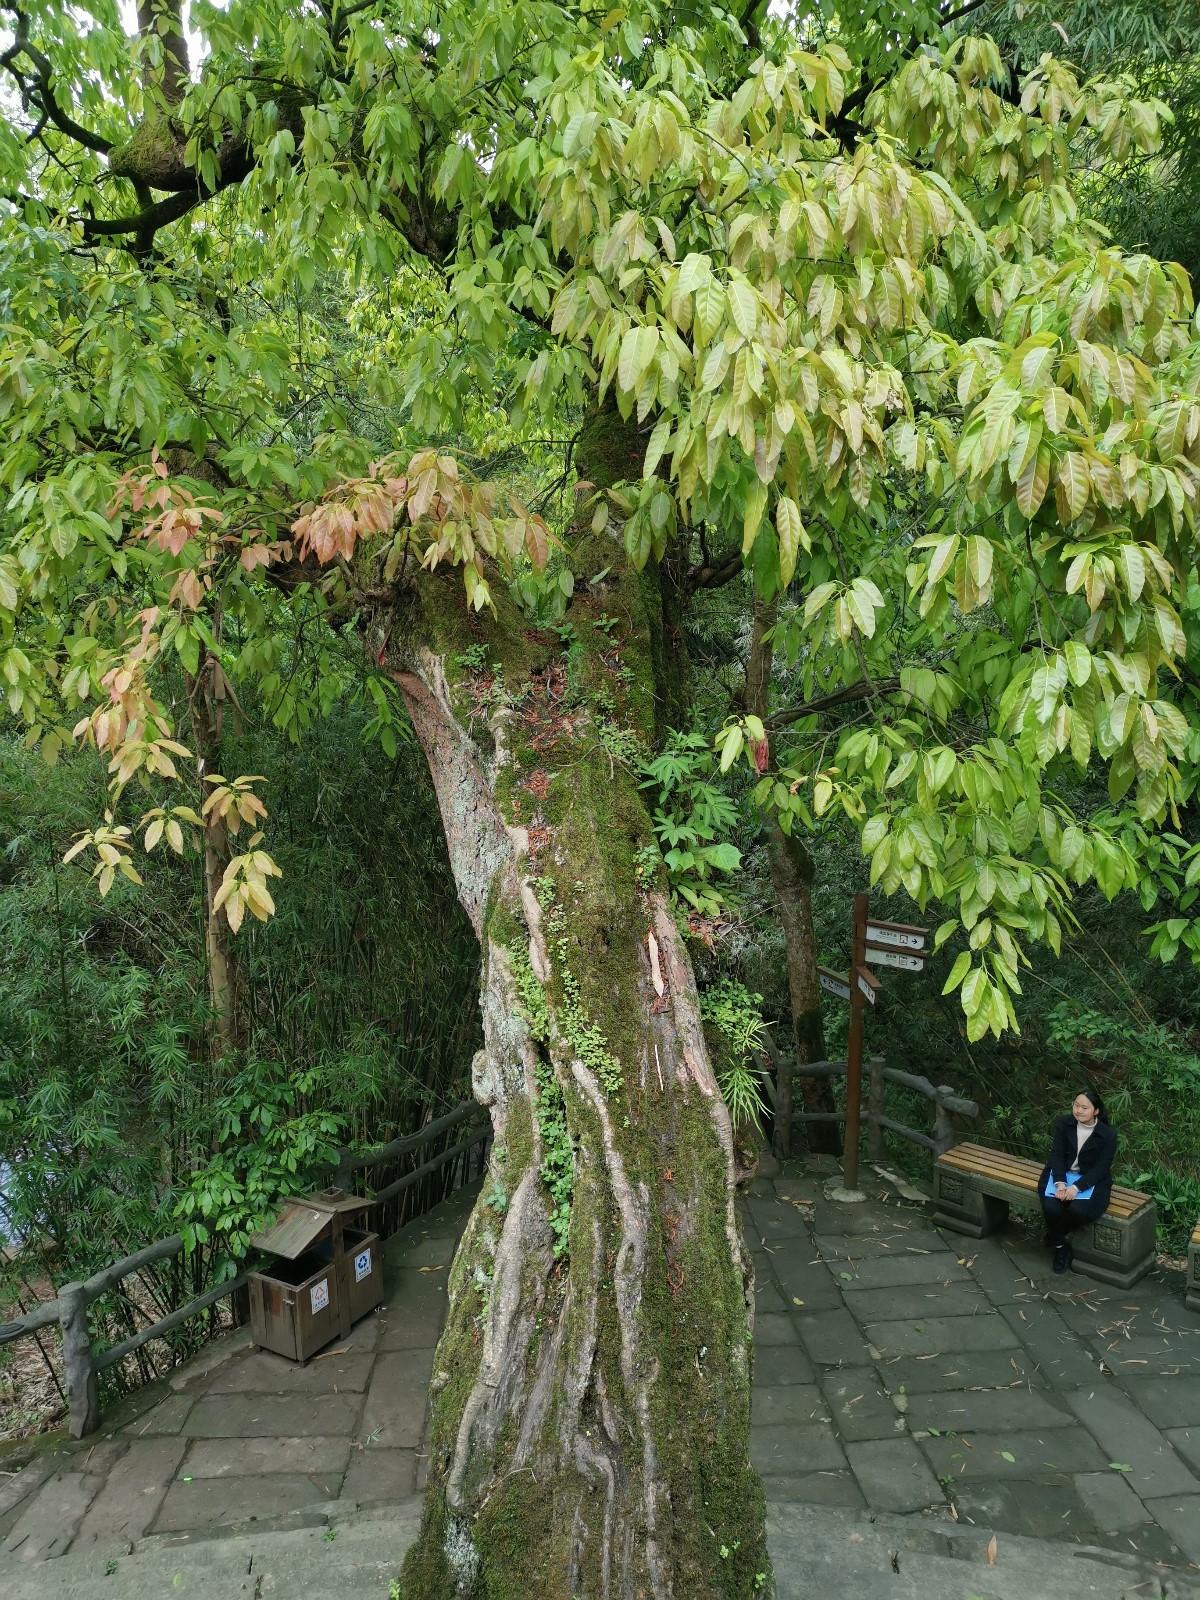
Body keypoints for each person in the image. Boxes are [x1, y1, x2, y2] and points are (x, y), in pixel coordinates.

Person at [1039, 1090, 1117, 1274]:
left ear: (1096, 1111)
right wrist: (1060, 1183)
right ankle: (1060, 1248)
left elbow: (1101, 1168)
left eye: (1084, 1107)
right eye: (1076, 1105)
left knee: (1079, 1210)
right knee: (1051, 1207)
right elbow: (1056, 1155)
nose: (1078, 1110)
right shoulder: (1064, 1124)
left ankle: (1054, 1235)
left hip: (1091, 1180)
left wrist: (1076, 1187)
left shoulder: (1108, 1135)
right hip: (1061, 1175)